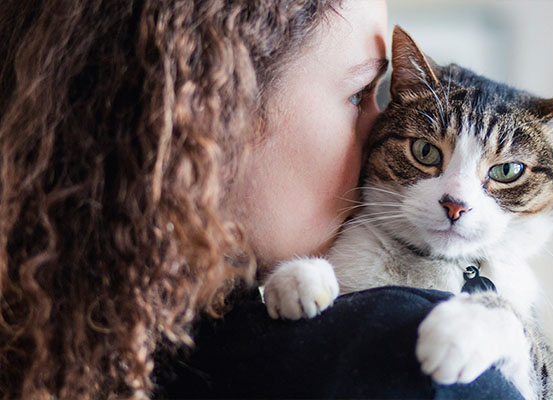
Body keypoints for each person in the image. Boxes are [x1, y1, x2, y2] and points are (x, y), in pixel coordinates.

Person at [0, 1, 522, 398]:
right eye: (361, 93)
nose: (381, 127)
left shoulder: (75, 341)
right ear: (214, 115)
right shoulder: (410, 355)